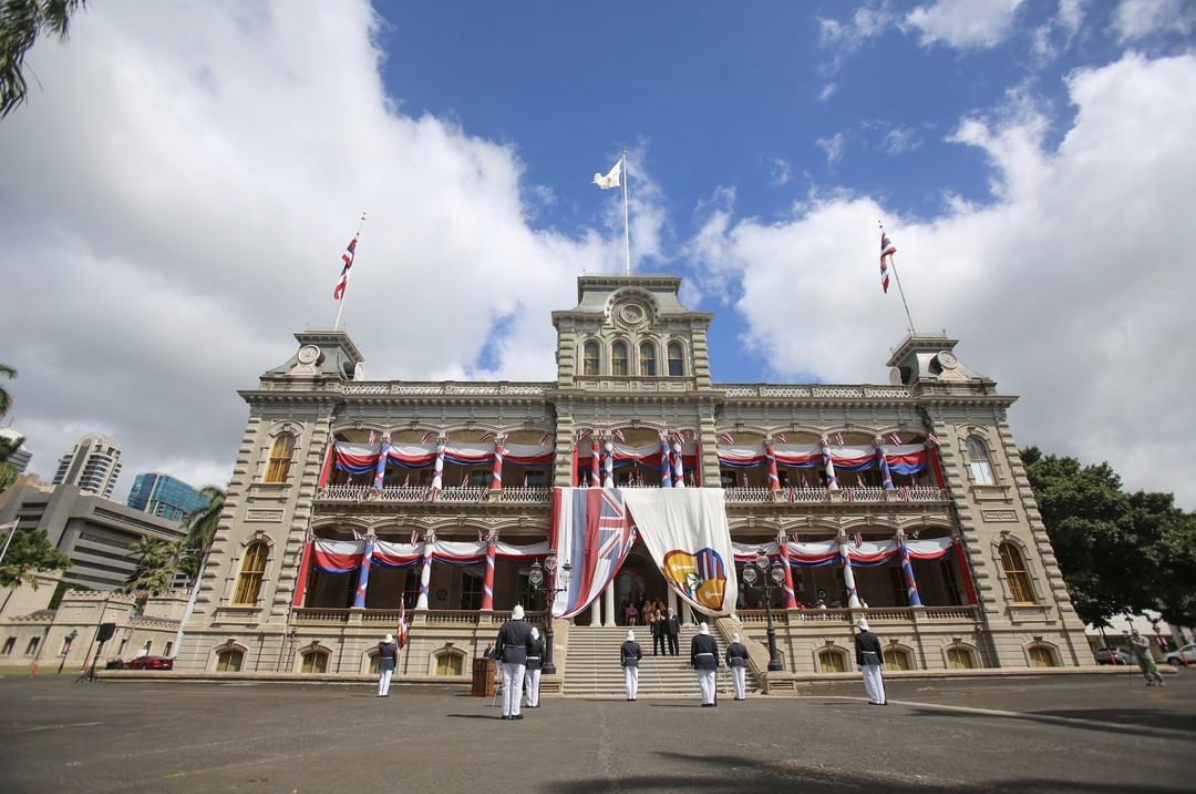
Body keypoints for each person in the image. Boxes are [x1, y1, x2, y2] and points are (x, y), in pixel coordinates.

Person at [494, 605, 534, 720]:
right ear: (522, 615)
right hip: (520, 656)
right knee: (517, 685)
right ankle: (515, 711)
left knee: (506, 685)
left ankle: (505, 712)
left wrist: (498, 657)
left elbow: (499, 643)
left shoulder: (505, 626)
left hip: (507, 656)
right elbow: (531, 643)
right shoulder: (527, 627)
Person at [854, 617, 886, 705]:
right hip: (875, 658)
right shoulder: (874, 636)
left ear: (860, 627)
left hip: (865, 658)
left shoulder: (858, 637)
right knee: (878, 678)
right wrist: (881, 661)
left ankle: (875, 699)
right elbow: (878, 649)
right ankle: (881, 699)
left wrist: (859, 662)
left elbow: (858, 650)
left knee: (869, 679)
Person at [690, 622, 720, 707]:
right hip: (711, 660)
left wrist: (692, 662)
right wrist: (717, 662)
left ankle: (706, 700)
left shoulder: (695, 638)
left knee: (703, 682)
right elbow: (716, 652)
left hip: (700, 660)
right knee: (711, 682)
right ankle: (711, 700)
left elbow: (693, 652)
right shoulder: (712, 639)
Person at [524, 627, 544, 708]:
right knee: (535, 685)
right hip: (536, 664)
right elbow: (544, 655)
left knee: (528, 684)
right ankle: (534, 703)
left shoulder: (527, 643)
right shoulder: (540, 643)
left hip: (528, 663)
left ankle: (529, 702)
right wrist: (541, 664)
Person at [726, 632, 749, 701]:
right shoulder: (743, 646)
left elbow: (727, 656)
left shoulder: (730, 646)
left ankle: (738, 695)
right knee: (742, 680)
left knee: (736, 680)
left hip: (734, 663)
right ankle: (743, 695)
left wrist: (728, 663)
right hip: (741, 663)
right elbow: (747, 656)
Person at [621, 630, 643, 701]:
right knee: (634, 680)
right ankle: (634, 696)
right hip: (634, 662)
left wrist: (622, 663)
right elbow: (640, 655)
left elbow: (622, 656)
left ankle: (629, 696)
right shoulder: (637, 645)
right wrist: (636, 660)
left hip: (627, 663)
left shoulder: (624, 645)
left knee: (628, 680)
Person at [377, 633, 399, 697]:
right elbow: (394, 656)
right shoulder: (393, 647)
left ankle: (379, 692)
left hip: (382, 662)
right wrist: (394, 663)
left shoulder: (381, 646)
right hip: (390, 662)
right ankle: (384, 693)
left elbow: (380, 654)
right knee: (387, 678)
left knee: (381, 678)